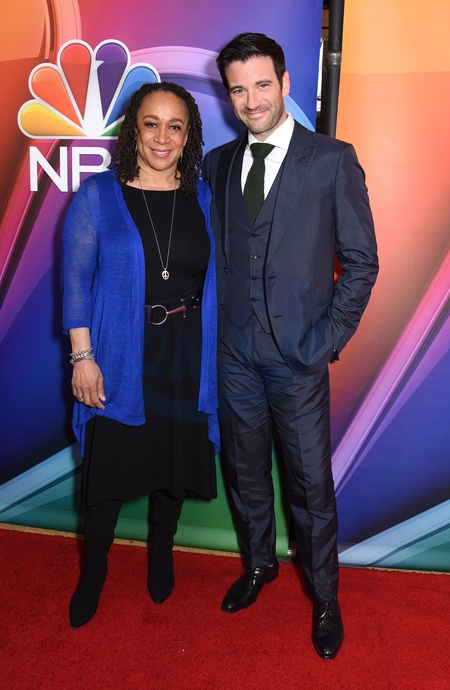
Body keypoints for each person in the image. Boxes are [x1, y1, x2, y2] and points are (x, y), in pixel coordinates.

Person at [204, 33, 378, 659]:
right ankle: (259, 564)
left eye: (262, 84)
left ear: (283, 82)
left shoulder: (332, 159)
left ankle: (325, 596)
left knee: (310, 486)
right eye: (238, 89)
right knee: (245, 472)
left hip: (297, 360)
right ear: (228, 95)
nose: (251, 100)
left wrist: (326, 339)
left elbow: (361, 262)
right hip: (233, 355)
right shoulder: (217, 163)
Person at [62, 82, 219, 629]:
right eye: (151, 123)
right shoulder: (97, 196)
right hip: (119, 355)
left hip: (187, 356)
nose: (162, 137)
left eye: (175, 126)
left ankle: (161, 552)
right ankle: (94, 572)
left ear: (188, 135)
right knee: (108, 473)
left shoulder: (203, 197)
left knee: (173, 464)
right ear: (133, 129)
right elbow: (76, 283)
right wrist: (83, 358)